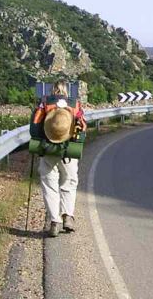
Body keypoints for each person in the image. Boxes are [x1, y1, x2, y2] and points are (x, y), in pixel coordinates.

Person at [30, 80, 87, 237]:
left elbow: (34, 129)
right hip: (69, 152)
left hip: (48, 151)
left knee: (50, 186)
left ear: (52, 90)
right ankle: (68, 216)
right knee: (69, 183)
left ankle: (54, 222)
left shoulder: (45, 104)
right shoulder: (75, 105)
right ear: (67, 91)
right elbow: (82, 128)